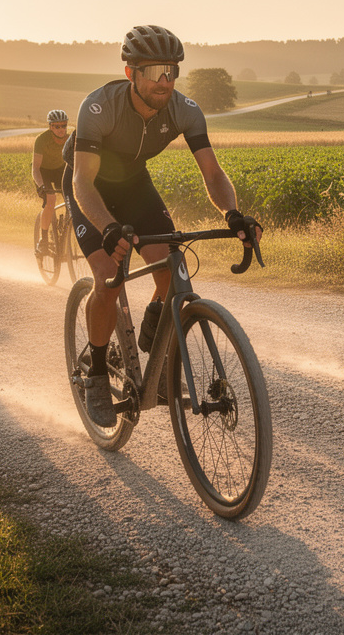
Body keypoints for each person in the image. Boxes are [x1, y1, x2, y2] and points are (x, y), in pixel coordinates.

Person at [64, 25, 260, 427]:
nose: (164, 81)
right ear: (130, 73)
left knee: (171, 269)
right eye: (154, 72)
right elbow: (82, 182)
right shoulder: (98, 107)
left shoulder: (185, 110)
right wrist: (109, 227)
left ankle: (155, 324)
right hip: (91, 185)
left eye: (171, 71)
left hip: (134, 183)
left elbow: (212, 173)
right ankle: (97, 373)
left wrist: (232, 214)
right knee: (108, 276)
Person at [32, 110, 71, 254]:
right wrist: (42, 186)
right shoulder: (42, 140)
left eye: (64, 125)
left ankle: (66, 226)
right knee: (51, 199)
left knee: (73, 198)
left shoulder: (70, 138)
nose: (61, 129)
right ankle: (44, 240)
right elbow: (36, 168)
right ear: (50, 127)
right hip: (43, 172)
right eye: (57, 126)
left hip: (60, 170)